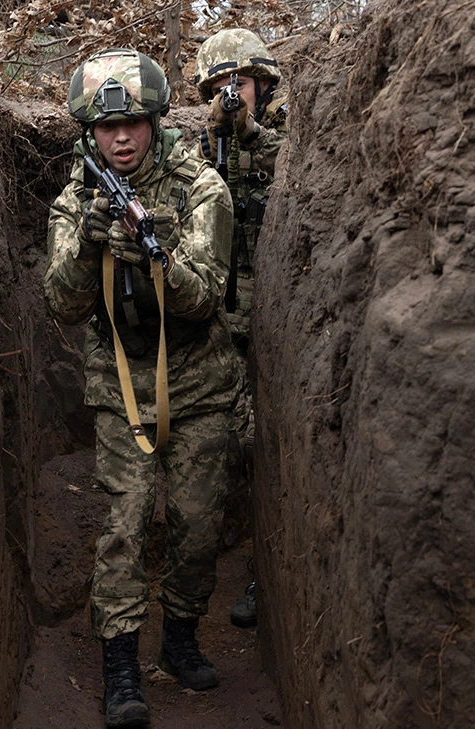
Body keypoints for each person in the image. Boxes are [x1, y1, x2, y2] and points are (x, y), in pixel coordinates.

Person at [44, 48, 238, 729]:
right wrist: (90, 247)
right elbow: (62, 304)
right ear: (88, 133)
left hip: (200, 380)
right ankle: (121, 667)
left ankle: (181, 638)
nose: (121, 138)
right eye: (106, 127)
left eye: (133, 124)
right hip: (124, 383)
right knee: (125, 527)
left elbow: (207, 295)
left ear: (155, 121)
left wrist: (156, 259)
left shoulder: (202, 189)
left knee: (197, 524)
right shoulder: (78, 198)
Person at [193, 28, 288, 629]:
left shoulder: (286, 139)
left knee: (262, 447)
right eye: (223, 85)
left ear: (263, 86)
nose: (234, 94)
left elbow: (297, 171)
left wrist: (251, 137)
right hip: (210, 317)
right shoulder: (193, 149)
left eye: (243, 83)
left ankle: (262, 570)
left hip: (269, 317)